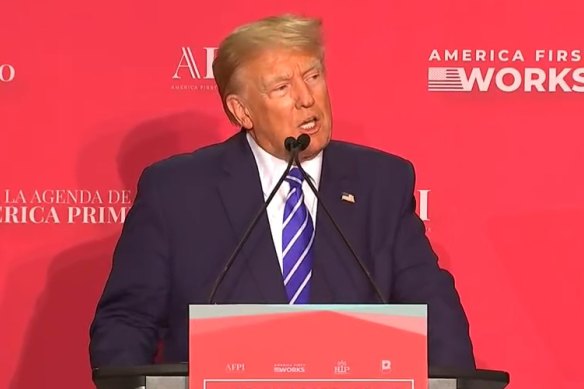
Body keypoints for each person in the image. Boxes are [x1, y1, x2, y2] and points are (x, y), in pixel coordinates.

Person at [89, 14, 475, 370]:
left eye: (313, 76)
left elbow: (433, 312)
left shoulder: (381, 182)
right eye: (282, 87)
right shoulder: (176, 191)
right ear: (242, 112)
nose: (307, 98)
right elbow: (127, 322)